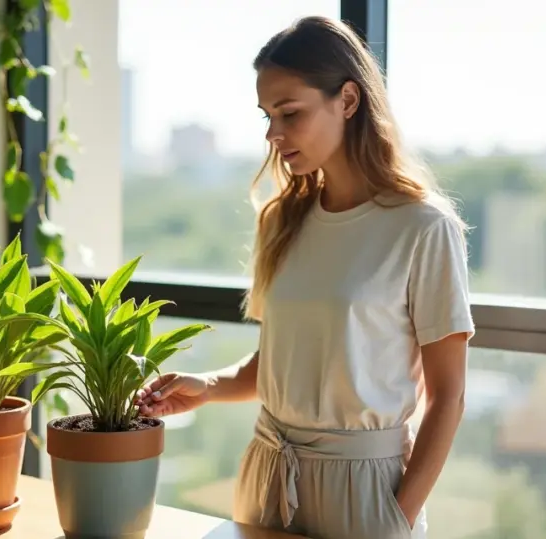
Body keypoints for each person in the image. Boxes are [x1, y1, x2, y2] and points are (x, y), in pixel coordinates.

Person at [136, 15, 474, 539]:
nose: (273, 133)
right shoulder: (282, 219)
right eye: (267, 115)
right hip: (268, 471)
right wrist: (206, 386)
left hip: (367, 493)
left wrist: (397, 516)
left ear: (348, 100)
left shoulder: (424, 228)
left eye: (290, 113)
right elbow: (278, 360)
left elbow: (448, 395)